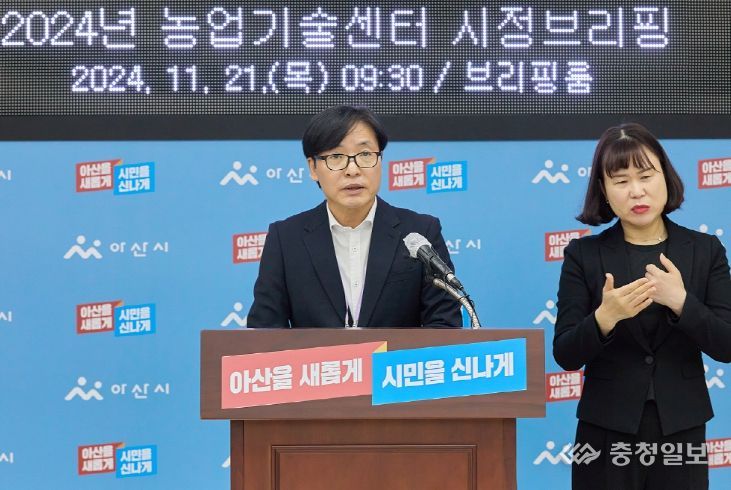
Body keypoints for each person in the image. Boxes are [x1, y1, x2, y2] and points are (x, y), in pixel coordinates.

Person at [553, 123, 731, 489]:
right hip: (604, 430)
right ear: (604, 190)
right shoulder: (583, 255)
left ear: (665, 177)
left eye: (646, 176)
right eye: (620, 181)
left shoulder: (705, 251)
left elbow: (726, 345)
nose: (636, 191)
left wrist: (681, 303)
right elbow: (566, 354)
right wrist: (605, 318)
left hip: (681, 428)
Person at [247, 105, 461, 329]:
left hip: (397, 354)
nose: (352, 170)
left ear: (380, 160)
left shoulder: (420, 232)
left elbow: (445, 325)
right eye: (336, 157)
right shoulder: (286, 239)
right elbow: (265, 330)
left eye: (365, 154)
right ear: (313, 168)